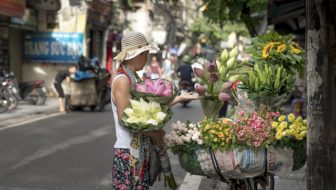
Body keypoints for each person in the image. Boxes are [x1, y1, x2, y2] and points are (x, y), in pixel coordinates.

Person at [111, 32, 199, 189]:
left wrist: (178, 98)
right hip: (128, 152)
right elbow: (124, 119)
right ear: (137, 55)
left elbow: (148, 110)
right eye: (146, 54)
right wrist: (155, 133)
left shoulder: (134, 79)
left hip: (140, 149)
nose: (147, 58)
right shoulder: (123, 81)